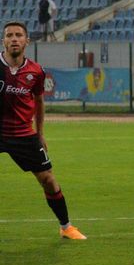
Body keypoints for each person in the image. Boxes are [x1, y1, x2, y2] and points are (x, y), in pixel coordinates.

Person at [0, 21, 86, 240]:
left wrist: (40, 133)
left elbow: (39, 101)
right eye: (9, 35)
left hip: (22, 134)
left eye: (18, 35)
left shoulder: (36, 71)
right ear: (3, 41)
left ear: (27, 41)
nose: (14, 39)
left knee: (47, 179)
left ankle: (66, 227)